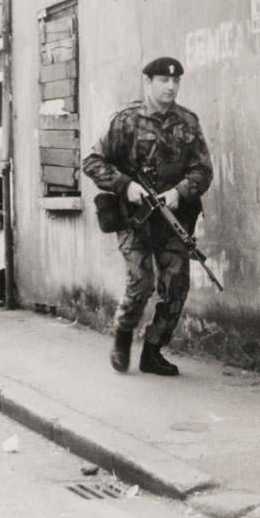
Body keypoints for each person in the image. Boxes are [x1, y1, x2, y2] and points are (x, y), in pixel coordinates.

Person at [82, 56, 213, 376]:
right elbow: (93, 162)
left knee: (177, 286)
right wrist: (125, 185)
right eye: (163, 81)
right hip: (133, 220)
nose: (171, 86)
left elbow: (203, 170)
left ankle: (152, 351)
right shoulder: (126, 120)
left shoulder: (188, 122)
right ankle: (123, 334)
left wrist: (179, 192)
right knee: (141, 283)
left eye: (176, 81)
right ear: (148, 82)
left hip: (172, 220)